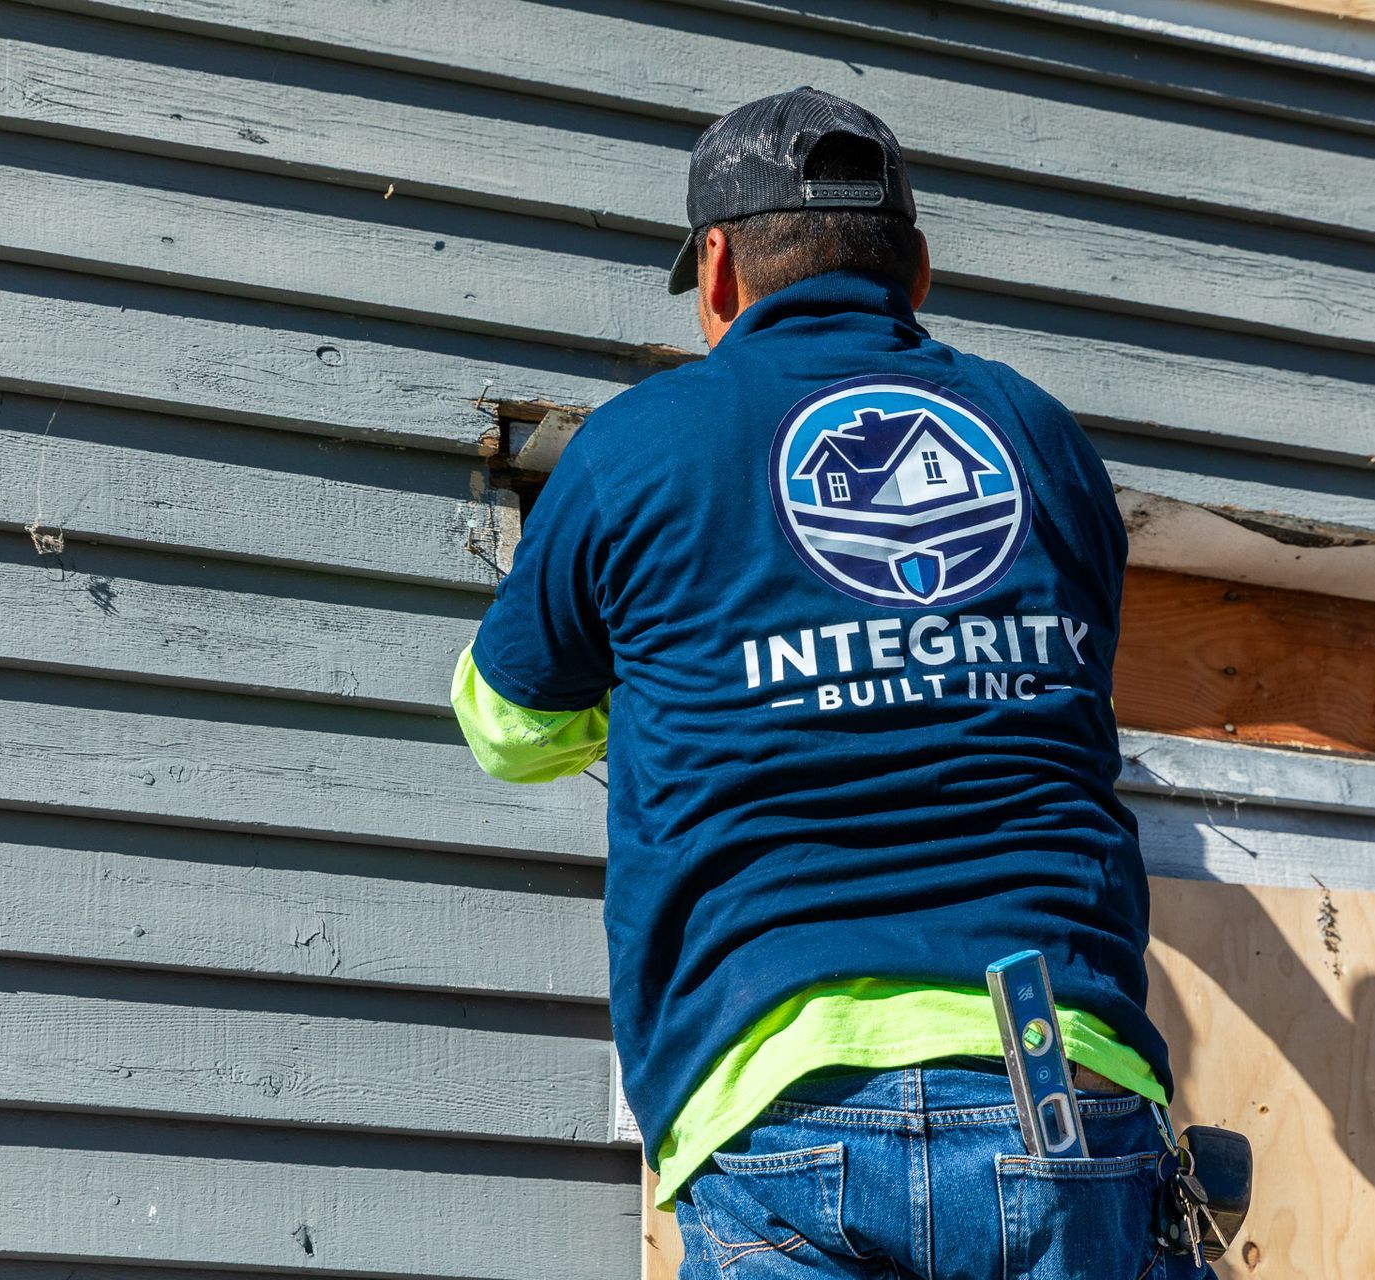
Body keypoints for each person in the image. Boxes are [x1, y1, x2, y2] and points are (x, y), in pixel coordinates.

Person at [453, 87, 1203, 1279]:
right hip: (1056, 1076)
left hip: (780, 1095)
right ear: (915, 274)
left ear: (717, 274)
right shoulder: (1045, 440)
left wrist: (668, 688)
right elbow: (1049, 691)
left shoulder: (642, 445)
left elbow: (506, 724)